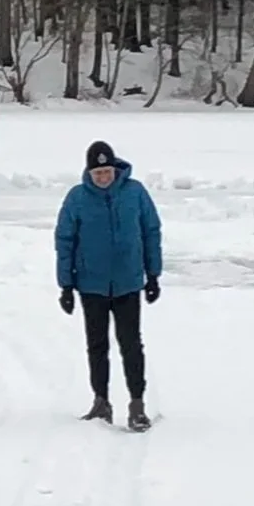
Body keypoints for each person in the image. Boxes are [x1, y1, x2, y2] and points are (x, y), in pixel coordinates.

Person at [55, 140, 162, 431]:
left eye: (107, 171)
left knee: (130, 343)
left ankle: (137, 405)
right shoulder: (77, 198)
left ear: (115, 169)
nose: (102, 177)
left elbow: (151, 231)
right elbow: (65, 241)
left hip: (128, 282)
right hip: (92, 285)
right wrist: (66, 285)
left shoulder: (135, 192)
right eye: (97, 173)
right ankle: (100, 401)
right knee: (97, 344)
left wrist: (153, 274)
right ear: (89, 173)